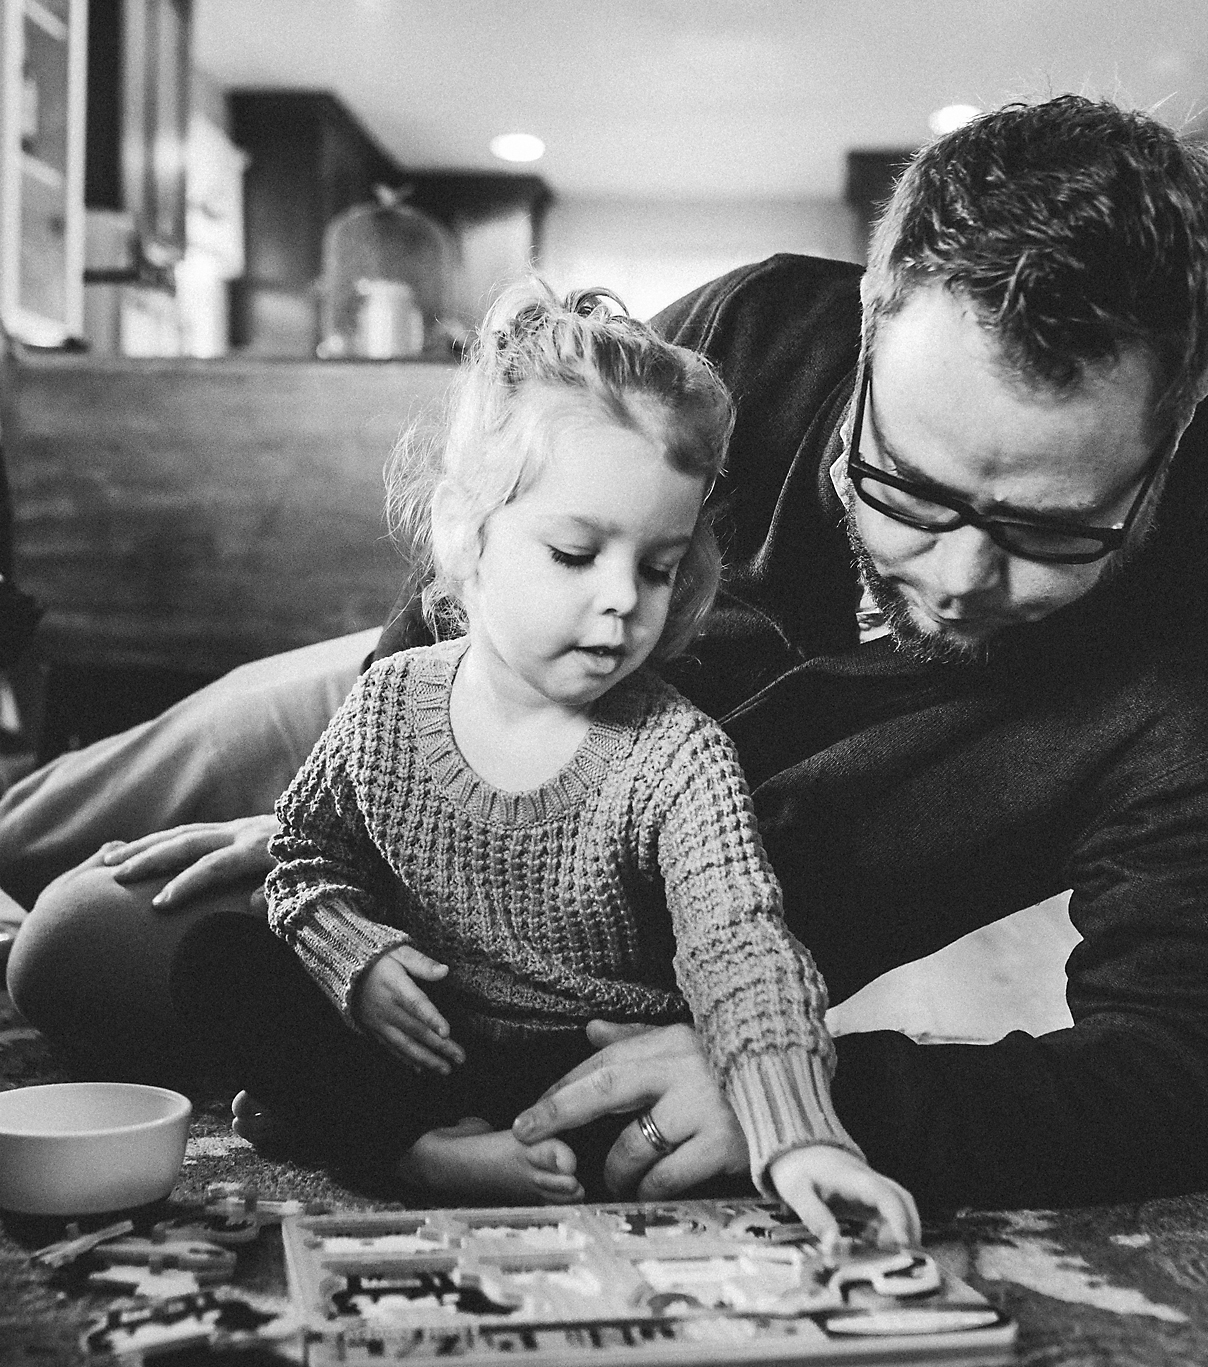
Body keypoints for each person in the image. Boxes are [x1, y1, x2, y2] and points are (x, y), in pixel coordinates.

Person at [0, 94, 1208, 1212]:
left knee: (77, 943)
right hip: (448, 685)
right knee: (31, 834)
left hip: (612, 935)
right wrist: (357, 800)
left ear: (1178, 422)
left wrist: (804, 1087)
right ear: (872, 321)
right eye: (909, 489)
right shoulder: (744, 333)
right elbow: (524, 507)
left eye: (1050, 530)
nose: (960, 576)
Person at [214, 282, 917, 1240]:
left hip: (580, 1076)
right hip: (423, 1044)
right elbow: (305, 851)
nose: (624, 599)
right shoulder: (390, 701)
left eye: (659, 567)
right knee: (224, 969)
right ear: (472, 533)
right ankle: (416, 1153)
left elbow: (742, 947)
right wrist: (355, 955)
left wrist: (802, 1136)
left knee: (653, 1138)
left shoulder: (677, 756)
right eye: (576, 554)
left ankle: (413, 1146)